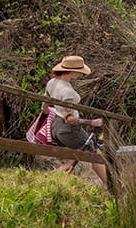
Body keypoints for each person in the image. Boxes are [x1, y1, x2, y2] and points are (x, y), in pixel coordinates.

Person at [45, 55, 107, 186]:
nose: (80, 74)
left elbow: (45, 104)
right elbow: (69, 119)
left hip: (55, 126)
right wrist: (91, 122)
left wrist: (47, 109)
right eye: (79, 71)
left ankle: (53, 182)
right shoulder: (67, 92)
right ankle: (112, 186)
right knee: (96, 155)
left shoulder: (52, 82)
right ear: (72, 71)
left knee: (73, 158)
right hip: (69, 130)